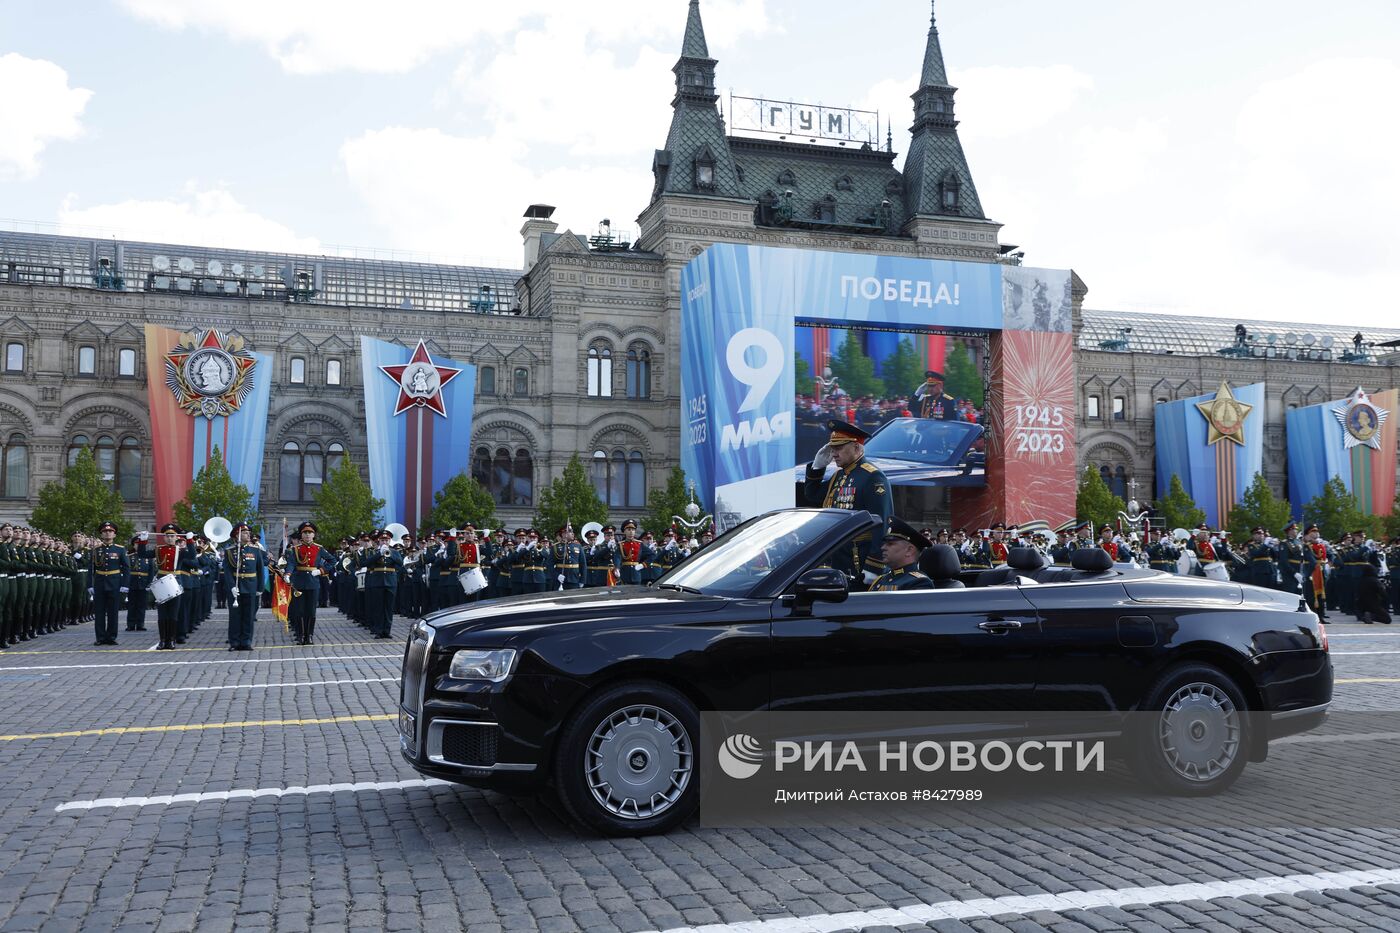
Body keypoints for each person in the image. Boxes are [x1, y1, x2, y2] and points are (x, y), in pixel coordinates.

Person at [801, 419, 893, 585]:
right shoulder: (839, 475)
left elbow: (882, 523)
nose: (834, 453)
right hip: (838, 557)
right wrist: (817, 468)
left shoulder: (872, 476)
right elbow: (812, 495)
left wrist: (874, 567)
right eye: (832, 448)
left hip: (859, 560)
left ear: (856, 447)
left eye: (839, 448)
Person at [282, 521, 335, 645]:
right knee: (299, 610)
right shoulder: (295, 549)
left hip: (313, 582)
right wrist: (288, 574)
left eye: (310, 532)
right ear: (301, 535)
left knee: (311, 610)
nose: (307, 535)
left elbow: (332, 560)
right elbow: (291, 564)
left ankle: (309, 635)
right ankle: (301, 635)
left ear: (314, 535)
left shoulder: (319, 548)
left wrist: (321, 570)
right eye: (305, 532)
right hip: (299, 582)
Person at [223, 522, 265, 650]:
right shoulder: (230, 551)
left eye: (248, 533)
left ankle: (246, 641)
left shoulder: (256, 550)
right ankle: (234, 642)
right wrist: (232, 587)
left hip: (251, 586)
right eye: (245, 533)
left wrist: (260, 588)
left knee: (248, 616)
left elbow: (260, 570)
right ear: (237, 535)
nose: (248, 535)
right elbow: (228, 571)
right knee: (235, 616)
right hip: (236, 588)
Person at [153, 523, 193, 650]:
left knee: (173, 613)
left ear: (176, 537)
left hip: (175, 581)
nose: (170, 538)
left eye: (172, 536)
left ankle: (171, 640)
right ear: (164, 537)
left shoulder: (180, 551)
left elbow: (192, 556)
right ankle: (162, 640)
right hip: (161, 582)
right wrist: (143, 541)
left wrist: (190, 541)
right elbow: (143, 554)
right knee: (162, 614)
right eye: (167, 536)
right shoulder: (158, 549)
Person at [89, 521, 130, 646]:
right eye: (105, 531)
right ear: (101, 534)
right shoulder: (96, 550)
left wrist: (125, 584)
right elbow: (91, 569)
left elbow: (126, 568)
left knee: (113, 612)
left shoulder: (120, 549)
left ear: (114, 534)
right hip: (100, 583)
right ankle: (100, 637)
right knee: (99, 612)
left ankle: (111, 636)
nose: (107, 533)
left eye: (110, 531)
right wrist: (90, 585)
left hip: (114, 582)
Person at [868, 519, 933, 590]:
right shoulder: (880, 579)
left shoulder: (919, 582)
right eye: (884, 543)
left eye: (890, 544)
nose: (883, 547)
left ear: (909, 550)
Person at [362, 528, 403, 638]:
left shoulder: (394, 552)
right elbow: (366, 562)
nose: (384, 542)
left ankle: (387, 631)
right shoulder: (373, 552)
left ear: (389, 541)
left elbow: (400, 563)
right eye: (382, 540)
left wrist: (391, 555)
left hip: (391, 581)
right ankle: (379, 631)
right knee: (378, 607)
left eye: (386, 540)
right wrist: (379, 554)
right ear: (378, 541)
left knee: (389, 608)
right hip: (377, 581)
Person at [127, 532, 153, 631]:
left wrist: (149, 583)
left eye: (140, 543)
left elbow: (151, 571)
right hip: (132, 582)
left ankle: (140, 624)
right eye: (136, 543)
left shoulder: (148, 556)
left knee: (142, 604)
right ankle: (130, 624)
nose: (138, 545)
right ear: (133, 545)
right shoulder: (129, 556)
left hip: (144, 582)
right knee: (132, 604)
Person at [1303, 524, 1329, 620]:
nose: (1316, 533)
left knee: (1321, 594)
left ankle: (1321, 615)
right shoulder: (1307, 545)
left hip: (1321, 571)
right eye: (1313, 531)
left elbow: (1327, 557)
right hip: (1312, 571)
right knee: (1311, 595)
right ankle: (1314, 616)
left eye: (1316, 531)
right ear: (1308, 534)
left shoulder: (1320, 545)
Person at [618, 520, 651, 586]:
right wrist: (617, 568)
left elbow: (652, 555)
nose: (631, 532)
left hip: (636, 575)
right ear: (624, 531)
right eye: (629, 530)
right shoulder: (621, 544)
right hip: (625, 574)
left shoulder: (639, 544)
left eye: (633, 530)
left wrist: (643, 564)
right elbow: (617, 557)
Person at [1278, 523, 1308, 595]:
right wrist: (1294, 573)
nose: (1296, 531)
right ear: (1289, 531)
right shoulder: (1284, 543)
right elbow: (1284, 561)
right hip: (1290, 575)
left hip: (1301, 572)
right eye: (1295, 529)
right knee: (1290, 595)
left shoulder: (1299, 542)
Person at [553, 526, 586, 590]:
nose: (573, 533)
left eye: (572, 532)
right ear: (563, 534)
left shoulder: (578, 546)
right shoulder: (555, 547)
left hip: (574, 578)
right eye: (570, 532)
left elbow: (583, 564)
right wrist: (557, 575)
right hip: (560, 579)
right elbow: (549, 565)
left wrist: (582, 580)